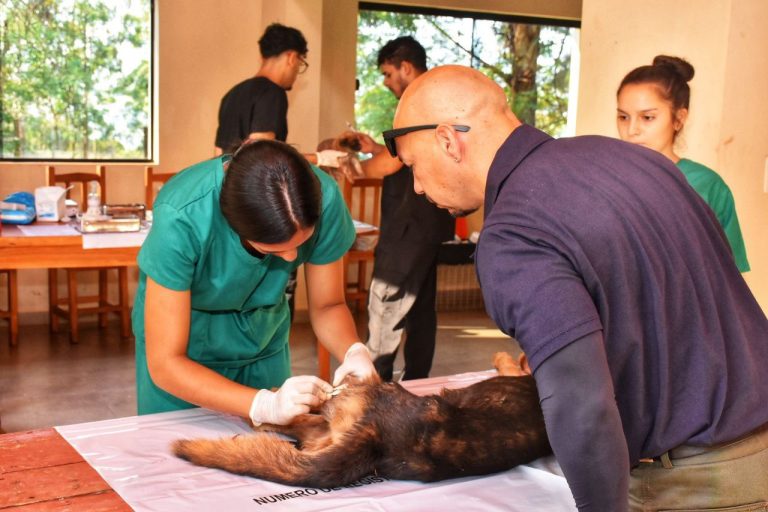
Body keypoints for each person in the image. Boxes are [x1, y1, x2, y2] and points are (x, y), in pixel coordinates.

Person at [386, 65, 768, 511]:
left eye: (413, 165)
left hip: (701, 481)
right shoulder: (635, 159)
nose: (415, 185)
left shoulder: (513, 230)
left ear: (449, 141)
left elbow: (582, 407)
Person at [132, 140, 375, 426]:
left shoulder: (326, 199)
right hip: (184, 361)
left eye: (302, 244)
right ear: (233, 224)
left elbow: (328, 305)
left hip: (262, 347)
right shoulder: (183, 216)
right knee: (178, 459)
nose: (291, 258)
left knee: (268, 458)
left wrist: (353, 350)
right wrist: (263, 405)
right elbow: (166, 363)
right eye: (273, 251)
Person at [214, 22, 346, 319]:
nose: (297, 72)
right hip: (267, 212)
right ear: (292, 57)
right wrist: (322, 158)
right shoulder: (272, 93)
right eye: (301, 63)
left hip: (235, 210)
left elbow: (218, 158)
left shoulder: (233, 94)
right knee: (273, 304)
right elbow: (262, 157)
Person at [353, 36, 455, 381]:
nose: (385, 81)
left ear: (405, 67)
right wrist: (373, 149)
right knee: (420, 309)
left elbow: (391, 164)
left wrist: (352, 167)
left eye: (386, 73)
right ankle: (418, 385)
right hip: (430, 223)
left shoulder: (415, 99)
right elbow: (404, 153)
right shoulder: (438, 97)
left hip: (408, 225)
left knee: (386, 301)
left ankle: (375, 391)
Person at [617, 55, 750, 272]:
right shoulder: (605, 179)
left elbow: (730, 279)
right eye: (623, 117)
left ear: (679, 118)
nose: (632, 130)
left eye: (647, 117)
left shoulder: (708, 186)